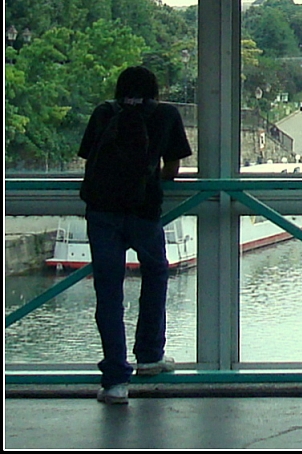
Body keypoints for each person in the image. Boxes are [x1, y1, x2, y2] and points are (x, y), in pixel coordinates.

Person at [78, 66, 193, 404]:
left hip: (102, 212)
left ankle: (115, 381)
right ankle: (149, 355)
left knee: (108, 293)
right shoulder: (166, 114)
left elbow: (88, 159)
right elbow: (172, 169)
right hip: (144, 212)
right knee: (155, 275)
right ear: (155, 90)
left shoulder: (104, 112)